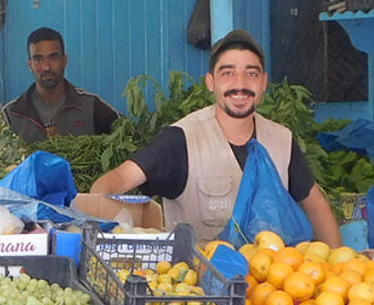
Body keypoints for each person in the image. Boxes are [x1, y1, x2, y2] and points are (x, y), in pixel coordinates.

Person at [91, 29, 342, 247]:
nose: (240, 84)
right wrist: (110, 231)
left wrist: (339, 267)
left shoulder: (281, 140)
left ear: (264, 82)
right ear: (211, 82)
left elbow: (316, 205)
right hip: (200, 292)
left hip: (274, 290)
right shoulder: (182, 140)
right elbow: (112, 183)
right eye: (228, 73)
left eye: (251, 74)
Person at [3, 27, 122, 143]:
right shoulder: (12, 114)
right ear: (30, 65)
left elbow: (128, 136)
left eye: (53, 58)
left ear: (64, 61)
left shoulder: (91, 106)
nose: (46, 67)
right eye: (38, 59)